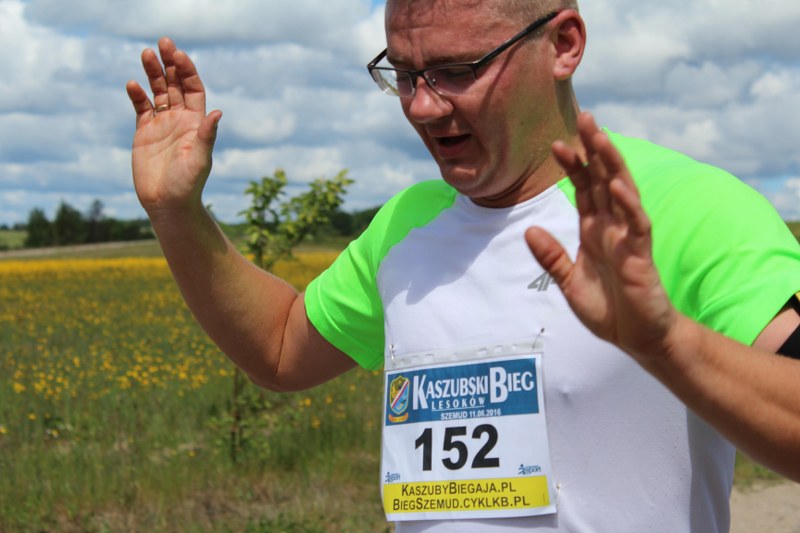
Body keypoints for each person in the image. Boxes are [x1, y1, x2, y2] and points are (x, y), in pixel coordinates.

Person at [126, 0, 800, 530]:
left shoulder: (682, 208)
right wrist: (177, 214)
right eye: (403, 73)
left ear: (563, 44)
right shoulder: (407, 224)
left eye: (457, 70)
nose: (422, 105)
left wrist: (666, 344)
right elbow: (279, 349)